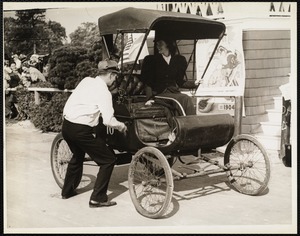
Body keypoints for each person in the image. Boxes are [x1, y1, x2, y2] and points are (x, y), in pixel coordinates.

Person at [61, 59, 127, 208]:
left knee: (77, 156)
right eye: (115, 76)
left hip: (67, 126)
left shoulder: (86, 81)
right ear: (110, 74)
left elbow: (73, 100)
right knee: (108, 160)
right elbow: (108, 120)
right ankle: (97, 198)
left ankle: (67, 192)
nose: (115, 79)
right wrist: (121, 126)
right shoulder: (104, 92)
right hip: (81, 130)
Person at [140, 37, 197, 115]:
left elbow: (180, 82)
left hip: (173, 92)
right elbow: (148, 83)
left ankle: (191, 123)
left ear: (168, 44)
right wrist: (149, 99)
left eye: (160, 44)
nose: (158, 47)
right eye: (157, 44)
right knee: (184, 98)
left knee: (185, 98)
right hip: (159, 93)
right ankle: (187, 122)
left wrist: (195, 83)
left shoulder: (178, 60)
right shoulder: (152, 61)